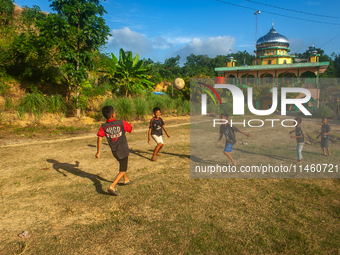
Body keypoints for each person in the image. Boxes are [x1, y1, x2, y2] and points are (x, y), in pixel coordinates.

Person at [96, 106, 134, 196]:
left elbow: (99, 137)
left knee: (122, 164)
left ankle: (126, 180)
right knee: (123, 169)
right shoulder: (121, 122)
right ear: (113, 114)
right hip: (123, 149)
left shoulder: (103, 126)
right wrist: (131, 126)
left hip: (114, 151)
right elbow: (131, 131)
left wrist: (98, 152)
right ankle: (112, 186)